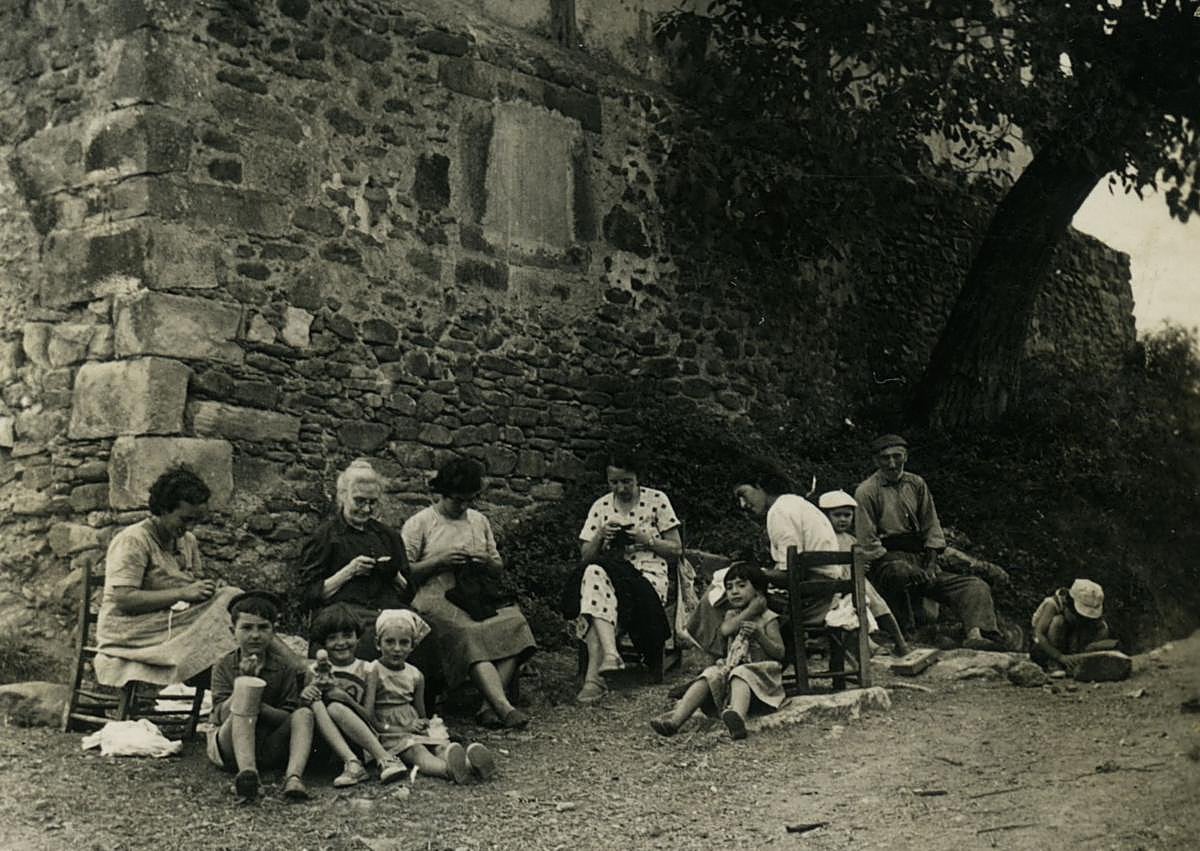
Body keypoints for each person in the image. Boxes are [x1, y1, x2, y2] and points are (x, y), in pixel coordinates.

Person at [402, 458, 536, 729]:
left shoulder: (479, 521)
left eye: (469, 500)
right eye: (457, 500)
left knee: (515, 625)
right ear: (442, 493)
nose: (463, 506)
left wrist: (484, 560)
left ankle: (487, 707)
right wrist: (440, 561)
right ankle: (503, 707)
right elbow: (404, 574)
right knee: (467, 633)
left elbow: (497, 567)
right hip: (434, 599)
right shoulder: (421, 523)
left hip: (474, 597)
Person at [854, 434, 1005, 650]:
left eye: (897, 456)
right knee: (899, 573)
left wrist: (932, 562)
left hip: (922, 558)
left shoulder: (916, 484)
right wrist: (902, 564)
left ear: (906, 456)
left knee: (973, 585)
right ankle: (904, 634)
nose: (892, 463)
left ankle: (977, 634)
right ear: (875, 461)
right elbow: (868, 541)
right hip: (887, 562)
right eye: (885, 458)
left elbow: (931, 526)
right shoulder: (867, 491)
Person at [95, 467, 241, 688]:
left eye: (196, 521)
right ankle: (282, 676)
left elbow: (192, 584)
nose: (190, 527)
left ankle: (255, 681)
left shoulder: (187, 541)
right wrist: (182, 593)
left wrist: (208, 588)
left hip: (170, 623)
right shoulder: (134, 540)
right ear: (163, 509)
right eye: (185, 519)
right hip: (130, 630)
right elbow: (123, 599)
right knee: (233, 602)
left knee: (233, 600)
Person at [563, 451, 683, 704]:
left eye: (627, 481)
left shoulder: (657, 500)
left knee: (595, 584)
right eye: (614, 482)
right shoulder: (601, 506)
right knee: (593, 572)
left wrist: (645, 538)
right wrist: (601, 536)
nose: (620, 488)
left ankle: (594, 678)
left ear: (638, 478)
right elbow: (585, 556)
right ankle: (609, 654)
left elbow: (676, 550)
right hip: (610, 577)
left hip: (648, 576)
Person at [295, 459, 414, 660]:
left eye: (372, 502)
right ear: (342, 496)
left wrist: (394, 576)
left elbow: (409, 593)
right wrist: (349, 572)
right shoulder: (326, 536)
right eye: (360, 501)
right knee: (367, 639)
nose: (367, 509)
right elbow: (307, 596)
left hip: (388, 612)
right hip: (344, 615)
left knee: (427, 632)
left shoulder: (388, 536)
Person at [650, 563, 784, 740]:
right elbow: (726, 630)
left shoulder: (768, 619)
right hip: (732, 676)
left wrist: (760, 636)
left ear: (758, 591)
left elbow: (779, 653)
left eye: (742, 586)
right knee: (710, 674)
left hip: (762, 680)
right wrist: (751, 610)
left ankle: (737, 719)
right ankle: (675, 721)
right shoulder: (732, 615)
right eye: (729, 588)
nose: (734, 591)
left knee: (741, 672)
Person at [206, 591, 315, 803]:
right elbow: (219, 716)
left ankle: (293, 777)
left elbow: (288, 717)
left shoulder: (283, 668)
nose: (255, 635)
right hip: (229, 749)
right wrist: (244, 685)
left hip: (269, 745)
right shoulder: (224, 665)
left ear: (273, 632)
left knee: (304, 714)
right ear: (233, 631)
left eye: (263, 628)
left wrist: (259, 706)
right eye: (247, 628)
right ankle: (248, 776)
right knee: (245, 690)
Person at [366, 609, 496, 784]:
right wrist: (399, 729)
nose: (397, 649)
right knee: (418, 751)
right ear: (378, 643)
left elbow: (422, 714)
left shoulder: (415, 675)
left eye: (404, 643)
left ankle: (471, 765)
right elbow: (370, 716)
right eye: (390, 642)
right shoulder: (374, 670)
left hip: (412, 728)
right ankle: (447, 770)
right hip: (388, 732)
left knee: (440, 745)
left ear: (412, 646)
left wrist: (424, 724)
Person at [299, 603, 407, 787]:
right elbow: (303, 711)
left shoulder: (368, 669)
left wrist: (345, 698)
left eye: (347, 636)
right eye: (332, 638)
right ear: (323, 643)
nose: (341, 643)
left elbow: (370, 717)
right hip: (325, 743)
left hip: (360, 740)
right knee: (317, 705)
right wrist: (305, 694)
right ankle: (353, 764)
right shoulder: (314, 670)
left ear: (358, 638)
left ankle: (384, 759)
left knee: (335, 707)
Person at [817, 490, 911, 657]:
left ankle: (900, 641)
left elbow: (859, 563)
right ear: (825, 515)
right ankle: (867, 643)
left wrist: (861, 566)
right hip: (834, 588)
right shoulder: (823, 537)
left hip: (855, 583)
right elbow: (826, 568)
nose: (843, 519)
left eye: (847, 515)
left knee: (874, 598)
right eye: (837, 515)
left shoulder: (851, 540)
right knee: (856, 599)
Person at [1030, 579, 1117, 674]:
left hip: (1074, 643)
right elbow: (1039, 634)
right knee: (1058, 621)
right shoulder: (1053, 604)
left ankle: (1080, 662)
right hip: (1047, 647)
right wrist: (1059, 656)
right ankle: (1053, 663)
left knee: (1102, 628)